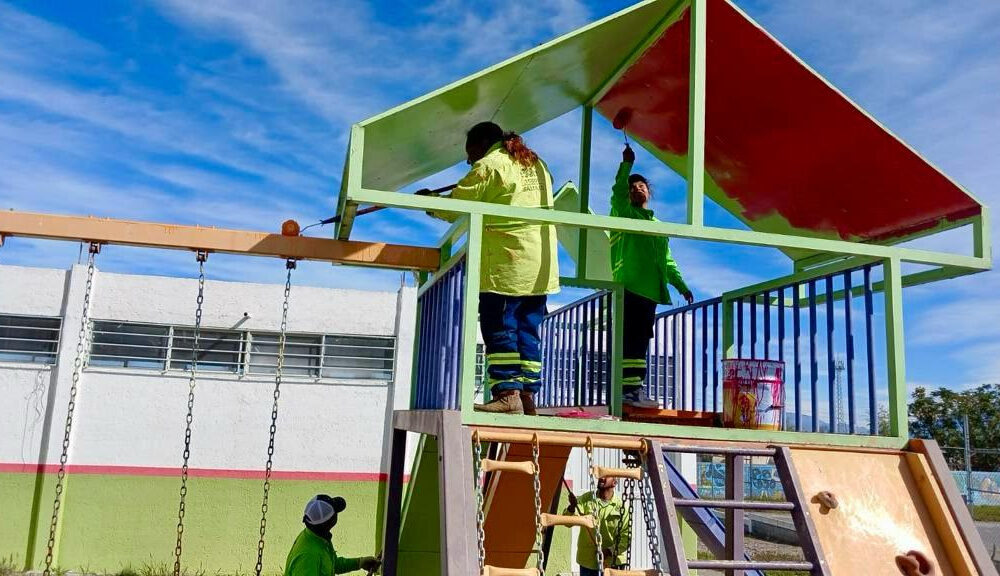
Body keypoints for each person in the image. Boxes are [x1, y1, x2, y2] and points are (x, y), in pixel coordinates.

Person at [424, 121, 559, 415]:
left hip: (507, 263)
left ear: (483, 144)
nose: (468, 160)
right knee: (528, 331)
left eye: (469, 152)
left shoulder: (489, 165)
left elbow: (456, 207)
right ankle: (527, 397)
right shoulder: (536, 163)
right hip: (540, 265)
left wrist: (430, 202)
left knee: (500, 329)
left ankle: (508, 395)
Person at [611, 144, 693, 409]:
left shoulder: (658, 226)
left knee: (640, 343)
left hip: (650, 292)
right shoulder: (623, 212)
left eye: (641, 186)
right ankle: (628, 391)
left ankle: (633, 389)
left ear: (649, 191)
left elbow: (666, 261)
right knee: (631, 341)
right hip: (630, 286)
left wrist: (681, 285)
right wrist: (627, 165)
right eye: (632, 187)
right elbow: (617, 194)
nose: (637, 189)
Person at [284, 495, 381, 576]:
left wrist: (359, 563)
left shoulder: (317, 537)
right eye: (335, 513)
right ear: (330, 521)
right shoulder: (309, 556)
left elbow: (333, 564)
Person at [564, 476, 631, 574]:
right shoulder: (586, 499)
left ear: (614, 482)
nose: (602, 478)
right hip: (588, 562)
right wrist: (572, 507)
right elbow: (567, 523)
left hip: (613, 563)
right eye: (601, 475)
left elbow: (626, 537)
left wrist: (609, 551)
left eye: (606, 476)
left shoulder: (621, 507)